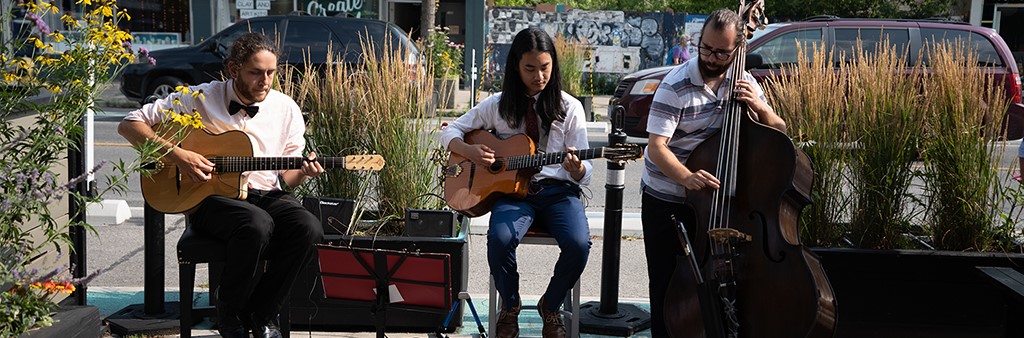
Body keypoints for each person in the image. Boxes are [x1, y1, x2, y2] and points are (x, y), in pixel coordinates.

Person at [118, 32, 324, 338]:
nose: (264, 81)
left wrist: (305, 171)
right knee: (255, 224)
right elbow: (130, 123)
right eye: (255, 72)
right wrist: (179, 155)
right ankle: (228, 314)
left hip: (266, 193)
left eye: (271, 73)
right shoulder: (198, 97)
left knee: (309, 227)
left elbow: (287, 177)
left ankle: (262, 313)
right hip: (210, 198)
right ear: (232, 69)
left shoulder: (286, 108)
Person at [640, 9, 787, 337]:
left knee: (714, 280)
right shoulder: (674, 85)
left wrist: (762, 109)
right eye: (704, 47)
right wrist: (686, 178)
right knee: (667, 283)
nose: (710, 57)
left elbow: (779, 133)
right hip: (668, 196)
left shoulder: (742, 82)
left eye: (721, 52)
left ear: (737, 51)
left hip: (716, 202)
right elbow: (656, 147)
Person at [440, 27, 592, 338]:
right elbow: (449, 131)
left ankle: (551, 306)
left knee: (578, 245)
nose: (539, 76)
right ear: (515, 67)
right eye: (530, 68)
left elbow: (587, 170)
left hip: (559, 192)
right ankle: (510, 306)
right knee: (499, 238)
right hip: (513, 195)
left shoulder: (570, 107)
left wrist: (576, 169)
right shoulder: (496, 105)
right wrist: (470, 151)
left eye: (545, 67)